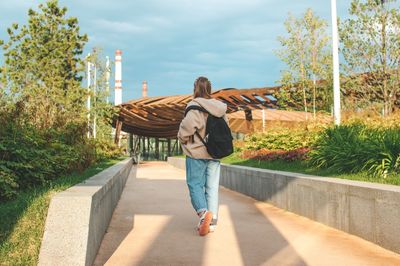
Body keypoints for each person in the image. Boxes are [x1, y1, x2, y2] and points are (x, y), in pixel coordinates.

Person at [177, 76, 228, 236]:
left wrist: (183, 139)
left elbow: (186, 129)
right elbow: (226, 130)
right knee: (212, 187)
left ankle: (204, 214)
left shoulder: (194, 107)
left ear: (195, 88)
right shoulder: (220, 108)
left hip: (196, 153)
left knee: (195, 184)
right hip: (214, 153)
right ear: (210, 89)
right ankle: (211, 223)